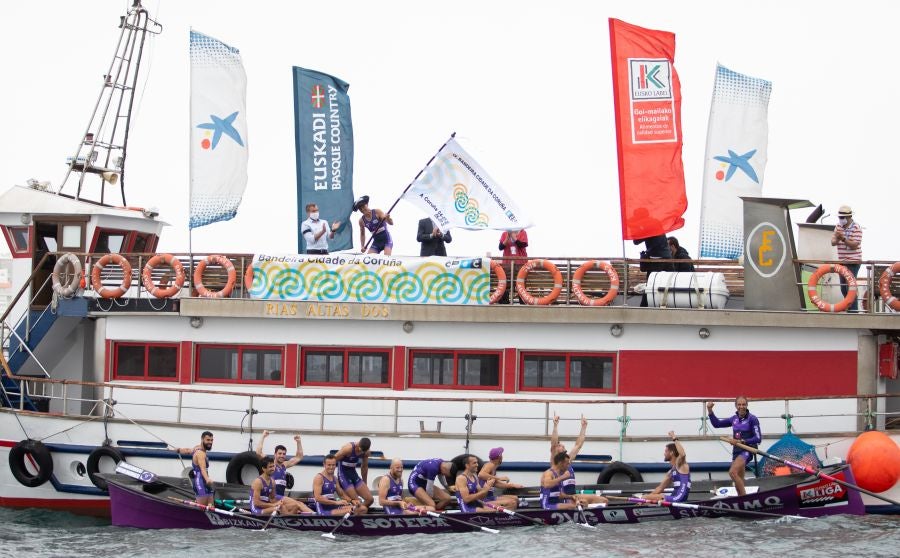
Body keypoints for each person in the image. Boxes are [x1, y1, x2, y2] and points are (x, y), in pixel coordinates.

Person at [707, 396, 762, 496]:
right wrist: (710, 410)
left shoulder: (752, 419)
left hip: (747, 450)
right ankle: (742, 500)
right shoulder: (734, 419)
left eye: (743, 404)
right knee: (738, 480)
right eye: (739, 404)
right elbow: (717, 424)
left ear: (747, 405)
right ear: (736, 406)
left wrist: (742, 441)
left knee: (732, 472)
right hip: (736, 450)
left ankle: (744, 498)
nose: (741, 407)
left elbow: (758, 438)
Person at [547, 415, 606, 506]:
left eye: (562, 445)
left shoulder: (568, 460)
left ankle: (589, 510)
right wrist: (555, 425)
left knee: (603, 500)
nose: (561, 445)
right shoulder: (555, 462)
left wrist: (583, 427)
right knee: (583, 503)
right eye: (559, 445)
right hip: (563, 498)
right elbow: (553, 443)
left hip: (573, 495)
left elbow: (578, 445)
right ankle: (584, 508)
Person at [255, 430, 312, 513]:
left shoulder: (285, 465)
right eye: (280, 453)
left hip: (281, 498)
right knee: (299, 504)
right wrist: (263, 436)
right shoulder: (270, 464)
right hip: (273, 498)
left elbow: (299, 457)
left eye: (284, 454)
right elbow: (258, 452)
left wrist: (298, 442)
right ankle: (319, 517)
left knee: (296, 508)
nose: (282, 456)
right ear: (275, 454)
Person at [642, 431, 691, 503]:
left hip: (678, 498)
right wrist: (646, 499)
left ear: (671, 453)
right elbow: (660, 488)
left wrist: (674, 437)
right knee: (646, 498)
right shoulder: (670, 472)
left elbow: (682, 454)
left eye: (666, 451)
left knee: (644, 497)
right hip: (674, 497)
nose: (664, 454)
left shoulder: (681, 465)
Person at [831, 205, 863, 312]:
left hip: (853, 262)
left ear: (849, 217)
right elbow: (833, 242)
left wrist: (843, 238)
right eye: (840, 217)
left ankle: (853, 311)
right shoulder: (838, 227)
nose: (841, 219)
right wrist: (838, 237)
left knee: (850, 288)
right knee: (843, 288)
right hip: (842, 262)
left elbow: (854, 245)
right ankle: (850, 308)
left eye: (842, 217)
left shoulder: (856, 228)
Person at [334, 437, 374, 508]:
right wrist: (332, 478)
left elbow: (364, 467)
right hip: (343, 475)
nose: (360, 452)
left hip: (353, 474)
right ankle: (357, 510)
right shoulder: (348, 448)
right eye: (360, 450)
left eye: (362, 452)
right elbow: (332, 461)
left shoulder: (366, 452)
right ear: (358, 444)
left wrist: (365, 482)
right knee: (357, 501)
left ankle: (356, 510)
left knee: (370, 499)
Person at [634, 234, 673, 307]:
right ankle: (671, 304)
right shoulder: (659, 227)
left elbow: (636, 241)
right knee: (671, 284)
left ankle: (644, 307)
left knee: (650, 285)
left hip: (656, 260)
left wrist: (637, 231)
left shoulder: (648, 228)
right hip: (668, 259)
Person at [182, 430, 215, 506]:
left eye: (211, 440)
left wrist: (177, 450)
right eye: (208, 440)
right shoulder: (200, 453)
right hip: (200, 483)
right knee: (202, 509)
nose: (210, 442)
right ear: (202, 439)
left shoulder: (196, 448)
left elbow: (187, 450)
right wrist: (207, 479)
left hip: (205, 482)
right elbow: (202, 468)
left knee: (211, 506)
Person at [497, 229, 528, 303]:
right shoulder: (504, 233)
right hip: (507, 263)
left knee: (521, 283)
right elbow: (500, 247)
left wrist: (514, 238)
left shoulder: (523, 232)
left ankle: (522, 301)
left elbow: (523, 245)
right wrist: (507, 238)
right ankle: (505, 302)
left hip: (520, 263)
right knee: (506, 282)